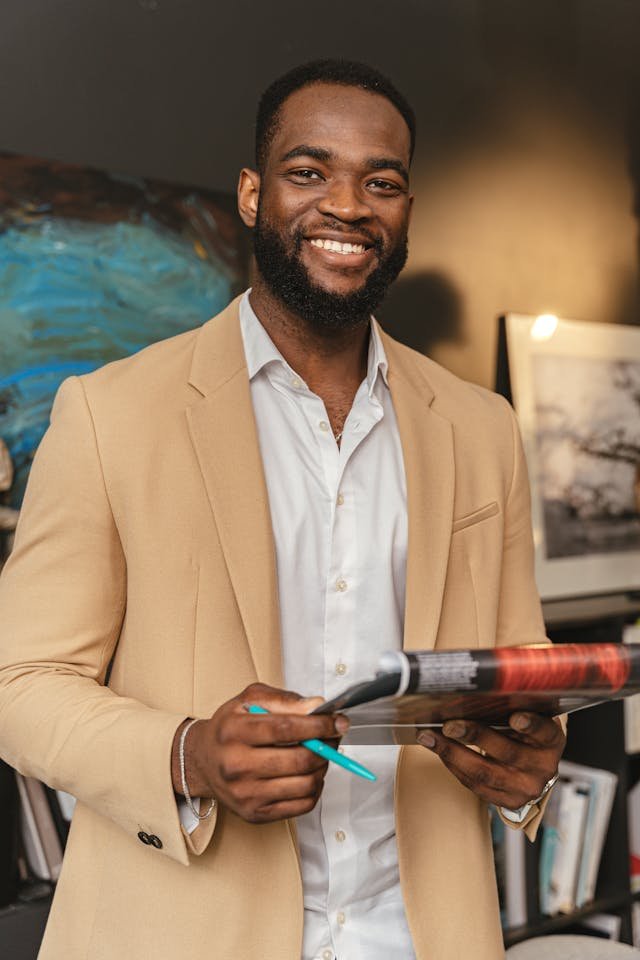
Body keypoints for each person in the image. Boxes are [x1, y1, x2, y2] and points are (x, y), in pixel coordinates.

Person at [0, 60, 565, 960]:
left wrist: (531, 759)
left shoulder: (481, 427)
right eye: (309, 172)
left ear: (406, 209)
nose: (347, 205)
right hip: (183, 934)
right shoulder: (109, 414)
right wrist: (187, 753)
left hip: (418, 935)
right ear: (253, 194)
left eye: (382, 182)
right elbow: (20, 683)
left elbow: (520, 667)